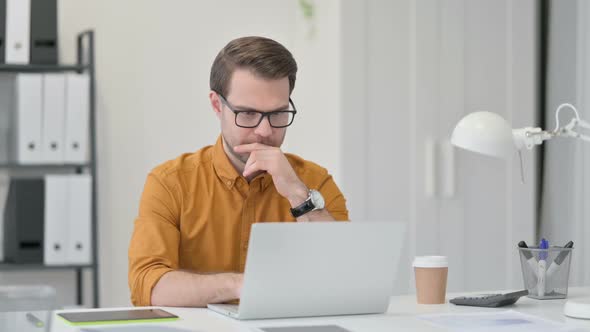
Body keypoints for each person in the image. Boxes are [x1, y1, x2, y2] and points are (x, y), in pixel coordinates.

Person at [128, 36, 349, 307]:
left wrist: (296, 193)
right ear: (216, 105)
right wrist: (240, 285)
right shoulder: (170, 183)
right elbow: (148, 287)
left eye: (278, 113)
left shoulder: (313, 182)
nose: (265, 131)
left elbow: (343, 279)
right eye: (247, 114)